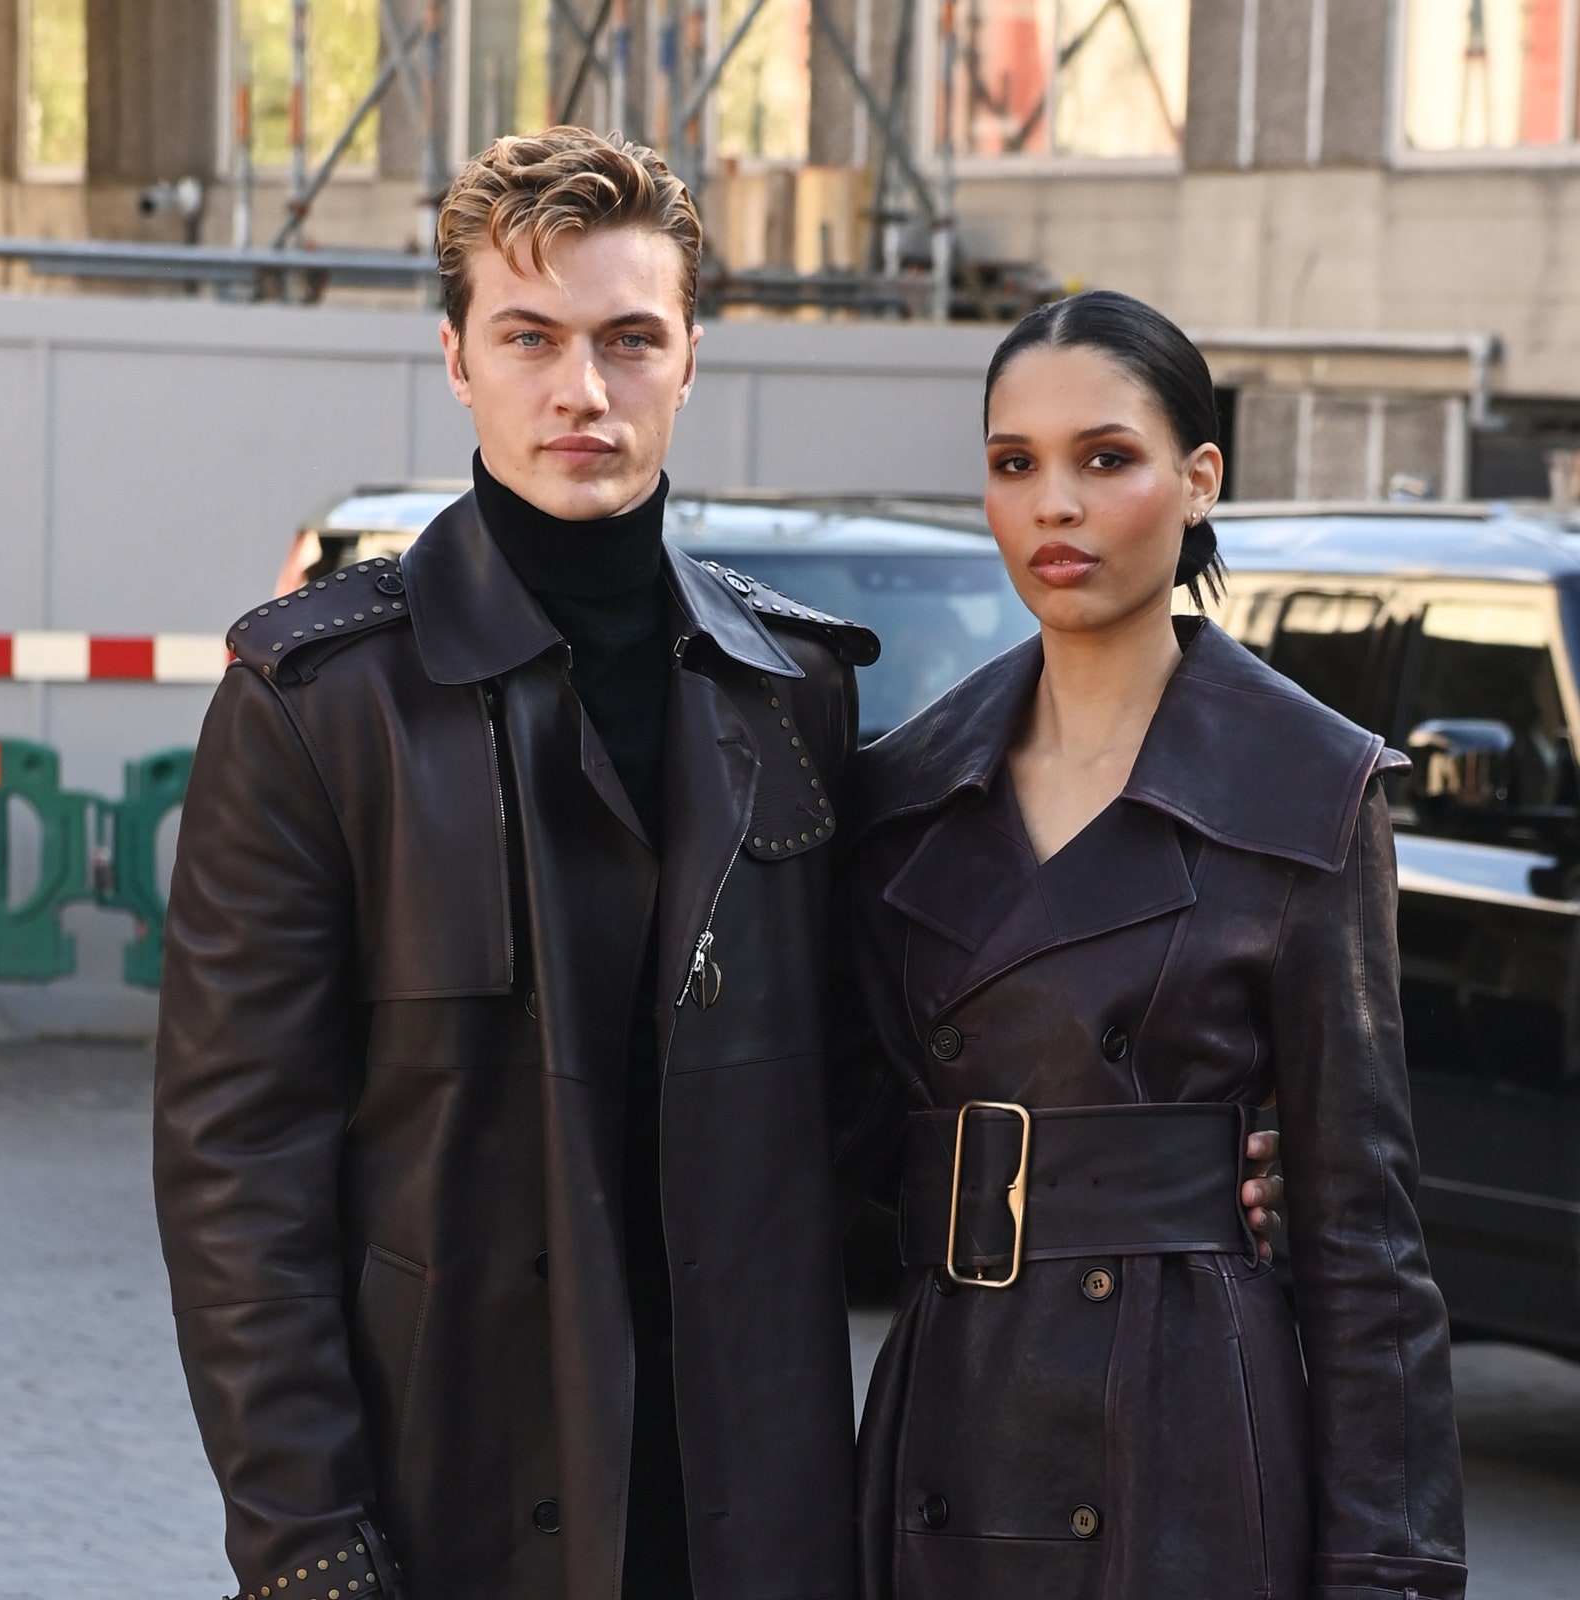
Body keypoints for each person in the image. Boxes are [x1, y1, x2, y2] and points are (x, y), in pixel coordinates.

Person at [152, 132, 1282, 1600]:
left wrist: (1170, 1169)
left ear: (690, 359)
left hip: (752, 1504)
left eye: (630, 340)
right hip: (450, 1507)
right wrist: (306, 1546)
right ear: (456, 358)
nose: (582, 390)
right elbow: (237, 1178)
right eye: (532, 338)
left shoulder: (789, 692)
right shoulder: (317, 708)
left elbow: (881, 1088)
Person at [847, 291, 1467, 1600]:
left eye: (1105, 458)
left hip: (1180, 1436)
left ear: (1199, 480)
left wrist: (1388, 1574)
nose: (1054, 505)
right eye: (1016, 465)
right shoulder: (901, 795)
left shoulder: (1304, 787)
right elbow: (826, 1134)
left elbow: (1369, 1242)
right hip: (952, 1416)